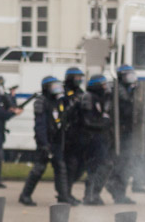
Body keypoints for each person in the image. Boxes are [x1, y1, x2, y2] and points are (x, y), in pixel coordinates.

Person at [19, 76, 75, 206]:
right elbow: (40, 125)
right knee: (39, 169)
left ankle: (63, 196)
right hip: (45, 141)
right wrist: (44, 144)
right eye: (53, 87)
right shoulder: (41, 101)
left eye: (58, 86)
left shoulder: (58, 102)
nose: (57, 89)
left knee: (60, 167)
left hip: (56, 141)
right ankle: (25, 195)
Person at [71, 74, 115, 206]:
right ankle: (89, 195)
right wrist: (105, 122)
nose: (105, 88)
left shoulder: (101, 98)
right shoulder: (88, 97)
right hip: (90, 139)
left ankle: (94, 193)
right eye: (103, 85)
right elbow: (88, 121)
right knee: (93, 167)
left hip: (100, 139)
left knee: (105, 165)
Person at [103, 64, 140, 206]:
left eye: (132, 75)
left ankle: (120, 193)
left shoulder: (130, 91)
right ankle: (116, 190)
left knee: (126, 164)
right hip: (117, 134)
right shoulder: (116, 91)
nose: (131, 79)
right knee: (120, 164)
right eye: (128, 76)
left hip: (127, 133)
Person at [60, 66, 88, 195]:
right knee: (70, 165)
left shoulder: (81, 92)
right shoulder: (63, 92)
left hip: (79, 134)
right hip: (67, 135)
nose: (79, 80)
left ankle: (66, 191)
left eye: (80, 78)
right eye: (77, 78)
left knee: (80, 166)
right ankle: (66, 193)